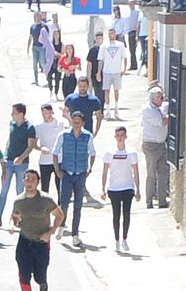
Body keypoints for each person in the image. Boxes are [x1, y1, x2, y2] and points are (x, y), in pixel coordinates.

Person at [11, 169, 63, 291]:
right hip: (24, 241)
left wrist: (50, 232)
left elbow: (60, 215)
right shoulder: (18, 201)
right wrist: (14, 223)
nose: (29, 183)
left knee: (38, 276)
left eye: (32, 180)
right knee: (23, 276)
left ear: (38, 182)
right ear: (23, 181)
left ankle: (42, 281)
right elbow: (14, 216)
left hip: (41, 242)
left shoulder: (46, 200)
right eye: (27, 179)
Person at [52, 111, 96, 247]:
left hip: (80, 174)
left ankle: (75, 234)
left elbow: (93, 153)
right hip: (66, 173)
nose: (76, 124)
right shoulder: (63, 135)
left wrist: (89, 169)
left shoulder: (88, 136)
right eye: (74, 121)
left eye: (78, 122)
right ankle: (61, 226)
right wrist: (57, 170)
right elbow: (55, 152)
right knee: (64, 204)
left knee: (78, 205)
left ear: (83, 123)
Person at [0, 103, 36, 228]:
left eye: (14, 112)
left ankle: (19, 218)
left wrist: (21, 158)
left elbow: (31, 146)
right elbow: (9, 141)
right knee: (3, 189)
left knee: (19, 191)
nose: (12, 115)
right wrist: (5, 157)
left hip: (22, 164)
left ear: (21, 114)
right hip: (10, 161)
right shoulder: (12, 124)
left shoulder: (29, 127)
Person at [100, 126, 140, 253]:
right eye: (118, 135)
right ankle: (116, 240)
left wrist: (138, 190)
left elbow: (136, 172)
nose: (120, 137)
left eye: (122, 135)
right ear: (115, 137)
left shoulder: (132, 153)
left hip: (128, 187)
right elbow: (105, 171)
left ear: (126, 136)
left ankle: (125, 239)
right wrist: (103, 189)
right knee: (116, 215)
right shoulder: (109, 153)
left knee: (126, 214)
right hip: (114, 188)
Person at [141, 87, 170, 209]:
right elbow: (162, 121)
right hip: (151, 145)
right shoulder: (148, 110)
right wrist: (170, 116)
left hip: (161, 144)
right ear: (153, 99)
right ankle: (149, 201)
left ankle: (162, 200)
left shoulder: (160, 108)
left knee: (163, 174)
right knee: (151, 174)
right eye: (160, 97)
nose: (162, 99)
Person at [34, 104, 65, 199]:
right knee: (45, 187)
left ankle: (61, 206)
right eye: (43, 113)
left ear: (51, 112)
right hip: (45, 161)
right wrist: (40, 148)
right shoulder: (38, 127)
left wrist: (67, 115)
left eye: (46, 112)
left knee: (59, 185)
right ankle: (44, 207)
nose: (44, 115)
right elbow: (34, 144)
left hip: (58, 159)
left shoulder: (60, 124)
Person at [97, 29, 127, 120]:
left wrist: (124, 69)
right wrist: (99, 72)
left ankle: (117, 109)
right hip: (106, 72)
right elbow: (101, 60)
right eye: (109, 34)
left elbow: (124, 57)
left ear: (115, 34)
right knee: (106, 91)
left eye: (113, 33)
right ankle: (108, 111)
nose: (111, 35)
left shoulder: (120, 45)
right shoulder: (104, 46)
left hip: (117, 72)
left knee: (116, 91)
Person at [85, 32, 105, 109]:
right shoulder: (93, 50)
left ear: (103, 39)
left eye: (100, 38)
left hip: (105, 74)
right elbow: (89, 63)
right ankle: (98, 108)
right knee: (97, 92)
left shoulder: (105, 48)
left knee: (103, 93)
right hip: (94, 75)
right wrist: (88, 75)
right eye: (97, 38)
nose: (99, 40)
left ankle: (102, 108)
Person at [27, 12, 47, 86]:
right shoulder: (32, 26)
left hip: (42, 47)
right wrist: (28, 47)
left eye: (39, 16)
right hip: (35, 47)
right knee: (34, 64)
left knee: (42, 63)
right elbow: (30, 37)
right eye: (35, 16)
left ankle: (48, 77)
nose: (37, 18)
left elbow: (47, 38)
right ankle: (36, 80)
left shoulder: (44, 26)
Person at [46, 29, 63, 101]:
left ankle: (56, 93)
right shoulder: (50, 43)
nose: (56, 35)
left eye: (57, 34)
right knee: (49, 77)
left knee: (57, 79)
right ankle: (50, 91)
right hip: (51, 63)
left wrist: (57, 54)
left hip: (58, 64)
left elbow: (63, 54)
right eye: (55, 34)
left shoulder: (62, 44)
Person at [126, 0, 141, 71]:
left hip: (134, 32)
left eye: (131, 3)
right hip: (129, 31)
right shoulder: (127, 12)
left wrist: (137, 35)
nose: (130, 5)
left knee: (133, 49)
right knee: (131, 50)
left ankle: (134, 65)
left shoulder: (137, 12)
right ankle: (133, 64)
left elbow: (138, 23)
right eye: (129, 3)